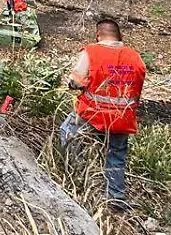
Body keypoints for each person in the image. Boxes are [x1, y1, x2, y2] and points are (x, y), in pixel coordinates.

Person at [60, 18, 146, 210]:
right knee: (116, 155)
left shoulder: (91, 51)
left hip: (92, 114)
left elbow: (76, 82)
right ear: (118, 36)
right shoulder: (135, 57)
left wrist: (74, 85)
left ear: (98, 34)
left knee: (67, 133)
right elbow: (137, 88)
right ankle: (115, 198)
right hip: (122, 118)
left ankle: (75, 176)